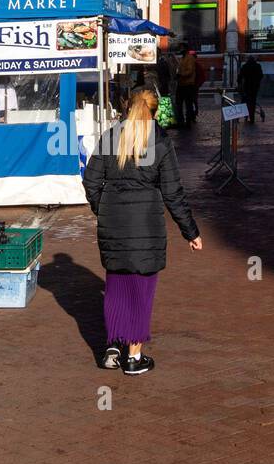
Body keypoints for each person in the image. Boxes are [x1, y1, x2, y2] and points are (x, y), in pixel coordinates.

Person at [83, 87, 202, 374]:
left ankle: (113, 347)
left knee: (116, 285)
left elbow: (91, 181)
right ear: (153, 112)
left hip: (113, 221)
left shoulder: (111, 136)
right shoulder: (160, 142)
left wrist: (104, 208)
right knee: (141, 289)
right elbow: (174, 193)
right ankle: (134, 356)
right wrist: (191, 232)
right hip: (146, 222)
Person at [174, 46, 200, 126]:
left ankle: (188, 121)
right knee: (179, 103)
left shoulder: (190, 58)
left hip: (188, 84)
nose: (180, 50)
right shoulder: (182, 58)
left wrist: (180, 75)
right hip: (181, 84)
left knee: (188, 104)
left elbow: (189, 71)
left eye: (181, 48)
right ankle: (181, 121)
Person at [238, 55, 265, 125]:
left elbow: (240, 76)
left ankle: (246, 116)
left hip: (246, 86)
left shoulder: (245, 66)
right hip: (255, 87)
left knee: (245, 101)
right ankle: (252, 118)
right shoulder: (257, 66)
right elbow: (261, 75)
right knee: (253, 102)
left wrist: (239, 83)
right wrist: (257, 81)